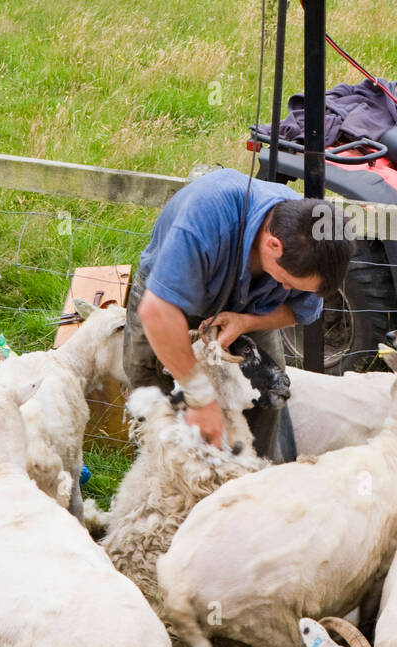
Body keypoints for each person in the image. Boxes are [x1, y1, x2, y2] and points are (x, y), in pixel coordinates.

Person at [123, 167, 352, 461]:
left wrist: (247, 322)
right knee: (156, 402)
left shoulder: (313, 243)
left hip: (250, 308)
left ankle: (253, 478)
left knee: (270, 391)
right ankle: (162, 483)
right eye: (286, 282)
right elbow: (156, 311)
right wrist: (200, 397)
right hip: (168, 301)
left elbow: (299, 310)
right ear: (273, 245)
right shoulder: (206, 216)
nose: (285, 288)